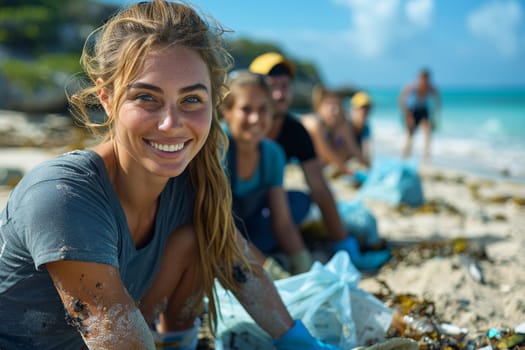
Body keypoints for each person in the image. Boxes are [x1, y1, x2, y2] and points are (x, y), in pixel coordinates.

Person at [0, 2, 337, 349]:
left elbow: (243, 272)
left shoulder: (194, 185)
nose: (171, 125)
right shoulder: (64, 195)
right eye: (147, 97)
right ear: (107, 97)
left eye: (191, 99)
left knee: (203, 235)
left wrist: (300, 341)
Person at [249, 52, 390, 270]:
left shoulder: (295, 131)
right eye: (270, 86)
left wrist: (343, 245)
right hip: (231, 213)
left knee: (300, 202)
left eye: (285, 86)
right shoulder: (238, 134)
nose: (278, 94)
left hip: (265, 208)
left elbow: (320, 188)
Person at [221, 70, 313, 278]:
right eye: (246, 109)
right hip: (214, 232)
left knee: (299, 201)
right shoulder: (217, 149)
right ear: (227, 111)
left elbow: (282, 222)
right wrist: (268, 271)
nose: (255, 118)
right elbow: (217, 224)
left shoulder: (272, 154)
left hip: (247, 229)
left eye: (263, 110)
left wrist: (302, 263)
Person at [301, 85, 368, 177]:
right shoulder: (313, 123)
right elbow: (324, 152)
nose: (336, 110)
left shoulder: (332, 127)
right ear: (319, 105)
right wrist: (346, 170)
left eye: (338, 105)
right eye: (331, 105)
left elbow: (352, 149)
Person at [398, 68, 441, 160]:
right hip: (411, 111)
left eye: (426, 79)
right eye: (422, 79)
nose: (424, 81)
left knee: (428, 133)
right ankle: (404, 157)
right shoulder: (413, 86)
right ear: (419, 78)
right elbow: (401, 99)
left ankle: (426, 158)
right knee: (410, 135)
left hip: (423, 111)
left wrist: (435, 115)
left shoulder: (430, 87)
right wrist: (407, 115)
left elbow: (437, 99)